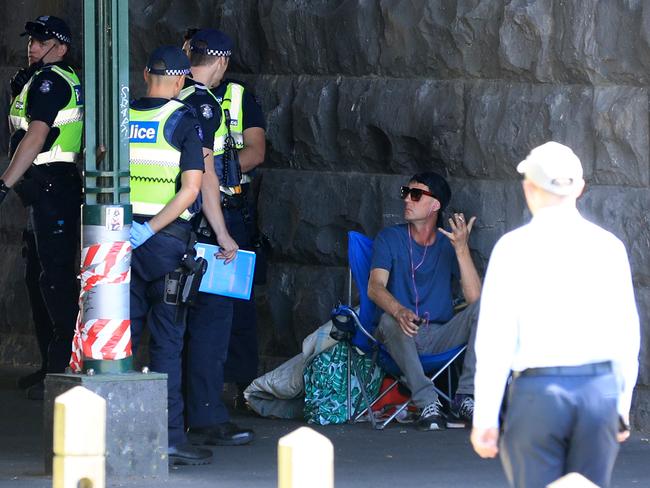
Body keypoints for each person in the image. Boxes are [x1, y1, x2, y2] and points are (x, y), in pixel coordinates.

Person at [471, 142, 640, 488]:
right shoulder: (609, 247)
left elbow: (494, 341)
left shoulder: (512, 248)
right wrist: (621, 406)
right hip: (598, 391)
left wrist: (485, 415)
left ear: (529, 188)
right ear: (579, 188)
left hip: (538, 392)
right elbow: (627, 336)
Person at [128, 45, 211, 466]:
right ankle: (170, 439)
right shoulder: (183, 120)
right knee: (166, 344)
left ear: (147, 74)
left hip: (121, 241)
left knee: (120, 344)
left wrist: (133, 231)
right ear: (180, 80)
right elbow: (191, 188)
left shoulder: (122, 117)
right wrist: (152, 230)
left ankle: (117, 433)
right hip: (164, 243)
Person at [179, 28, 254, 446]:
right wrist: (224, 233)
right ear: (222, 61)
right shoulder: (205, 103)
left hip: (168, 226)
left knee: (174, 327)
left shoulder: (167, 96)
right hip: (205, 228)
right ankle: (206, 416)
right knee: (212, 321)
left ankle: (179, 416)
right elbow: (207, 175)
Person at [2, 15, 83, 400]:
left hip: (54, 188)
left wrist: (5, 182)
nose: (33, 45)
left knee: (55, 278)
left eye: (42, 40)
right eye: (31, 39)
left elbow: (35, 135)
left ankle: (59, 366)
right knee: (39, 275)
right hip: (42, 190)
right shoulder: (36, 79)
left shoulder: (52, 81)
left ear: (61, 48)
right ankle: (49, 363)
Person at [368, 172, 482, 431]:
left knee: (488, 308)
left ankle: (466, 395)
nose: (407, 199)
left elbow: (475, 300)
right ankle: (427, 402)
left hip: (441, 335)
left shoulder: (449, 243)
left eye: (416, 195)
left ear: (435, 205)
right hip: (399, 335)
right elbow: (375, 288)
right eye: (405, 192)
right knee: (388, 318)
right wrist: (399, 310)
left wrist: (462, 250)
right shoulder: (389, 238)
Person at [204, 29, 267, 405]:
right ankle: (201, 393)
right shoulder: (179, 94)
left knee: (236, 303)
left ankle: (241, 386)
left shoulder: (240, 95)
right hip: (188, 207)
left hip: (230, 207)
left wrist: (219, 175)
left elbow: (256, 151)